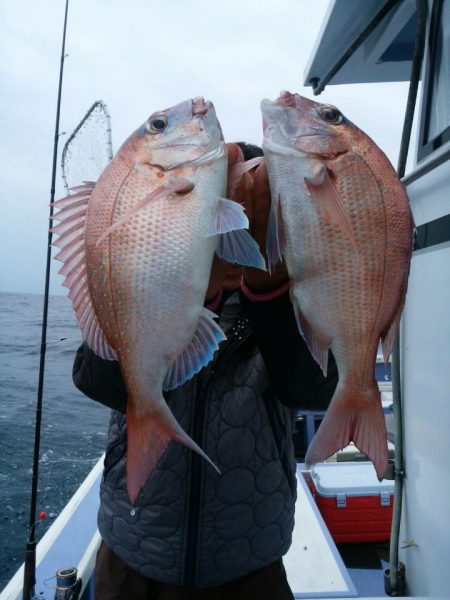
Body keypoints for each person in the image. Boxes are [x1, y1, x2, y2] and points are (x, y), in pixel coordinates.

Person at [72, 142, 338, 600]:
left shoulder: (295, 308)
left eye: (255, 215)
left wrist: (268, 290)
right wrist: (198, 296)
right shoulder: (145, 283)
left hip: (249, 564)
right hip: (133, 554)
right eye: (227, 212)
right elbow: (95, 378)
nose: (236, 231)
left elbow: (313, 389)